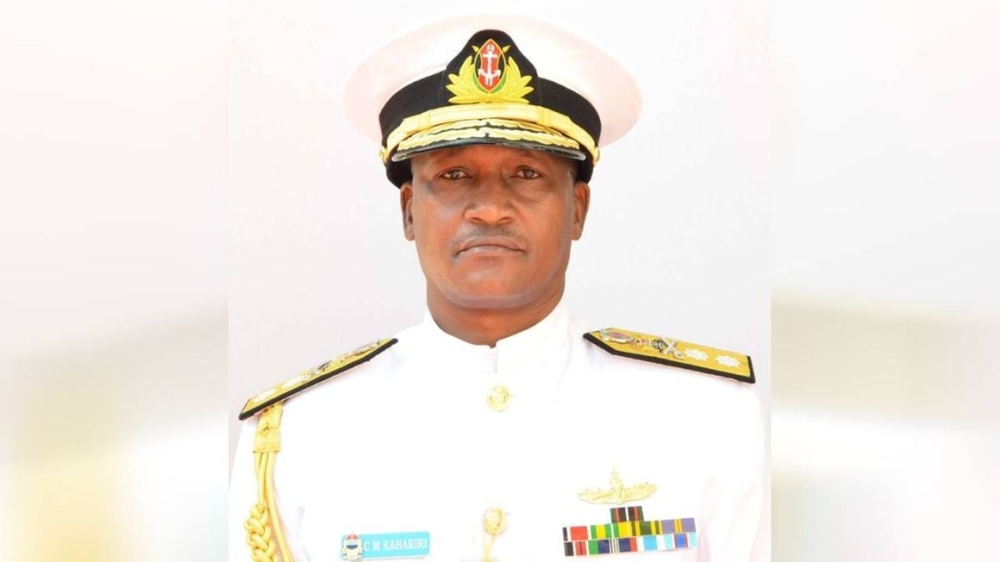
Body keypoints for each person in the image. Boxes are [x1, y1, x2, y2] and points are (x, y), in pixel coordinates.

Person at [230, 15, 765, 562]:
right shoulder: (298, 437)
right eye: (453, 175)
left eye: (527, 174)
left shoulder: (705, 419)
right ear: (410, 210)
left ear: (577, 210)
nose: (489, 209)